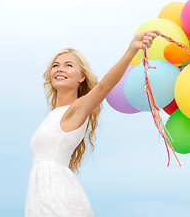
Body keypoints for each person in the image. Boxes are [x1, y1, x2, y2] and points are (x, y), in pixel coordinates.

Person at [25, 30, 161, 216]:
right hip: (42, 197)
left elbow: (104, 86)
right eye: (56, 65)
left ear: (82, 77)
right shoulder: (53, 116)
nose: (60, 69)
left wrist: (132, 50)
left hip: (57, 197)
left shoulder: (76, 108)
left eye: (68, 65)